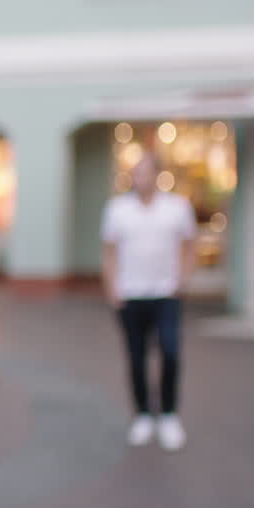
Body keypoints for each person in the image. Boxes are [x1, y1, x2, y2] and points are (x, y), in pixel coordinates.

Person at [100, 154, 197, 452]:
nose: (140, 178)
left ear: (157, 175)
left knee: (170, 353)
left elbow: (189, 244)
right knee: (136, 357)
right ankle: (143, 415)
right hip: (131, 295)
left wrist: (183, 278)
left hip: (165, 295)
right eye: (135, 173)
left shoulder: (177, 208)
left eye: (145, 172)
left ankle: (168, 415)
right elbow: (109, 250)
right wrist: (111, 287)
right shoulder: (118, 209)